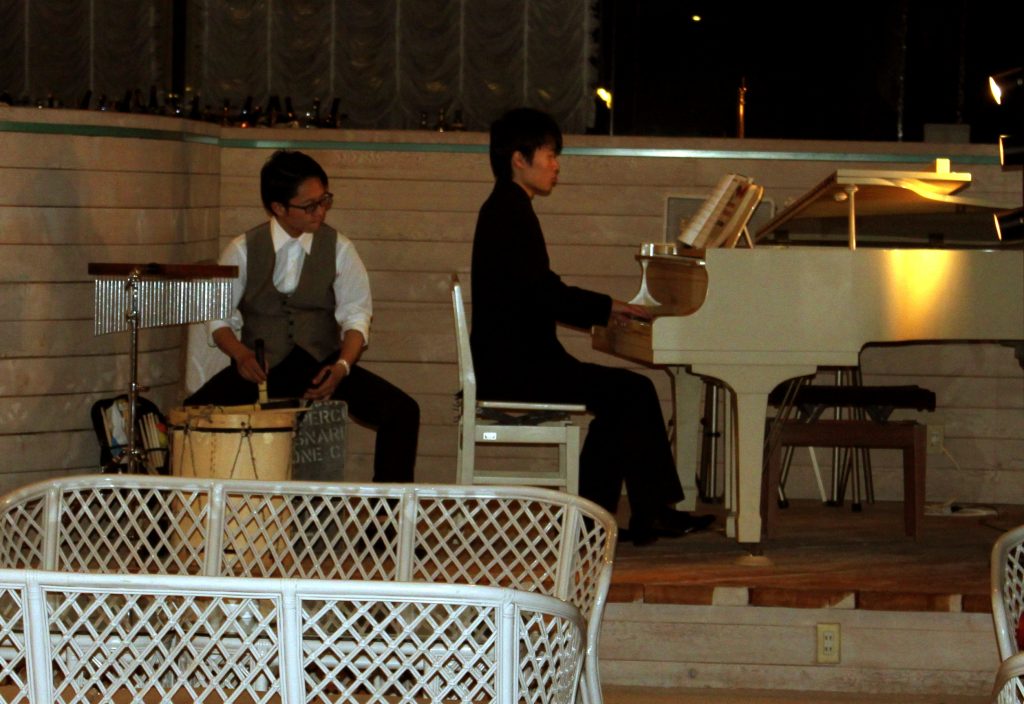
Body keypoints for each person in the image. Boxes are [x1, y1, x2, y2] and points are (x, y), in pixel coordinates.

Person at [470, 108, 713, 545]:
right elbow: (544, 293)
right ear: (518, 159)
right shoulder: (508, 212)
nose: (556, 165)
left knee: (623, 399)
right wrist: (608, 307)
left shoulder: (506, 207)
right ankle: (638, 514)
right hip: (516, 367)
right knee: (633, 392)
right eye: (550, 155)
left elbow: (540, 288)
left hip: (515, 360)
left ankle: (595, 520)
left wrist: (607, 308)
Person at [185, 149, 419, 483]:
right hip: (262, 369)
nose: (320, 211)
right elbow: (218, 319)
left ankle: (387, 514)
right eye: (310, 205)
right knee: (190, 416)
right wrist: (240, 355)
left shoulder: (339, 247)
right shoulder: (242, 248)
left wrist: (342, 367)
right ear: (279, 207)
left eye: (325, 200)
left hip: (321, 367)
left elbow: (357, 315)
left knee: (402, 411)